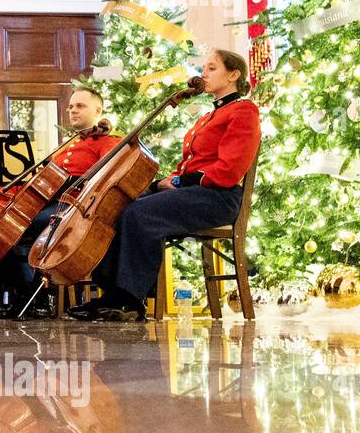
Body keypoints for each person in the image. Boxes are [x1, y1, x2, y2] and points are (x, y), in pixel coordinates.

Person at [68, 50, 260, 322]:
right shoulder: (207, 117)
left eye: (212, 68)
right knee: (119, 206)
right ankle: (112, 295)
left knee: (141, 214)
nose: (203, 73)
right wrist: (162, 183)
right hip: (194, 193)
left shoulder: (243, 111)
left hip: (218, 197)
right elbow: (188, 165)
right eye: (204, 67)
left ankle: (131, 300)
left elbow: (229, 171)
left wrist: (180, 182)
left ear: (233, 75)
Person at [0, 87, 121, 315]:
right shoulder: (67, 146)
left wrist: (71, 181)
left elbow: (106, 179)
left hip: (71, 208)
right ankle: (27, 293)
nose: (73, 110)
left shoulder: (108, 142)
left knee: (13, 230)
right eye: (71, 106)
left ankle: (32, 298)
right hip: (47, 203)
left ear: (98, 110)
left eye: (80, 106)